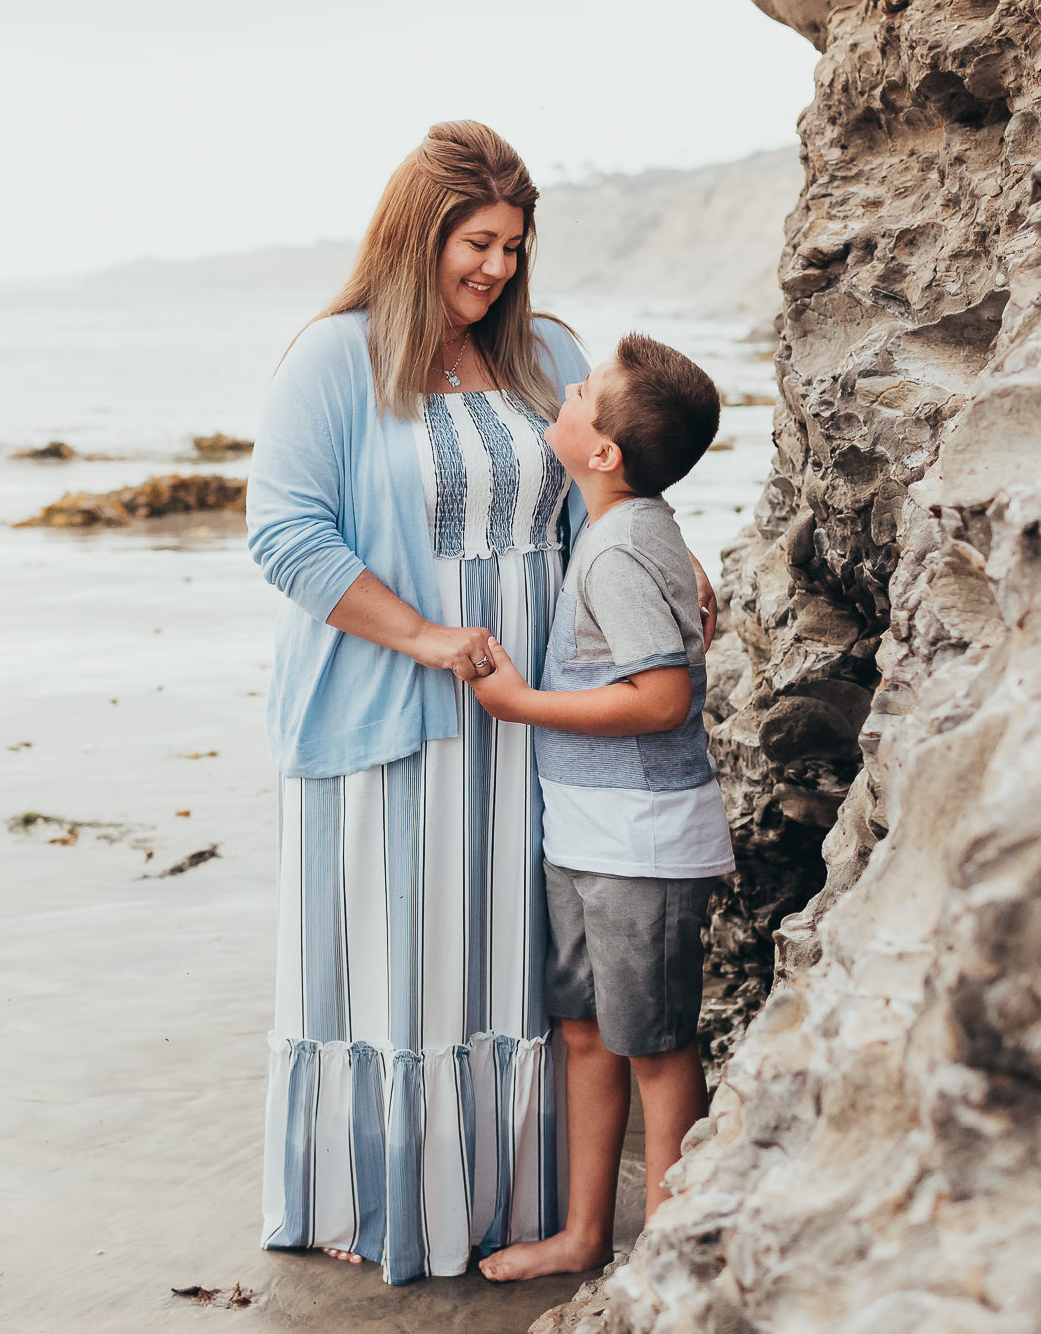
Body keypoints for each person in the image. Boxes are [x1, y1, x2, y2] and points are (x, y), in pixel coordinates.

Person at [246, 122, 716, 1286]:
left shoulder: (545, 352)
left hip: (533, 717)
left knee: (517, 965)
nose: (497, 269)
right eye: (476, 242)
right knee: (398, 958)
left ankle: (530, 1204)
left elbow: (606, 493)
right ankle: (390, 1200)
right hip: (389, 706)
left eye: (513, 245)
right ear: (418, 235)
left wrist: (677, 566)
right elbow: (285, 533)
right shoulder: (334, 359)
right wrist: (424, 638)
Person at [464, 334, 737, 1281]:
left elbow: (662, 698)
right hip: (586, 834)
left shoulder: (621, 547)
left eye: (583, 391)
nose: (567, 389)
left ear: (604, 452)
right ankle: (585, 1234)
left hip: (642, 845)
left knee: (656, 1047)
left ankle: (667, 1249)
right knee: (585, 1031)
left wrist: (520, 703)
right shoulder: (624, 523)